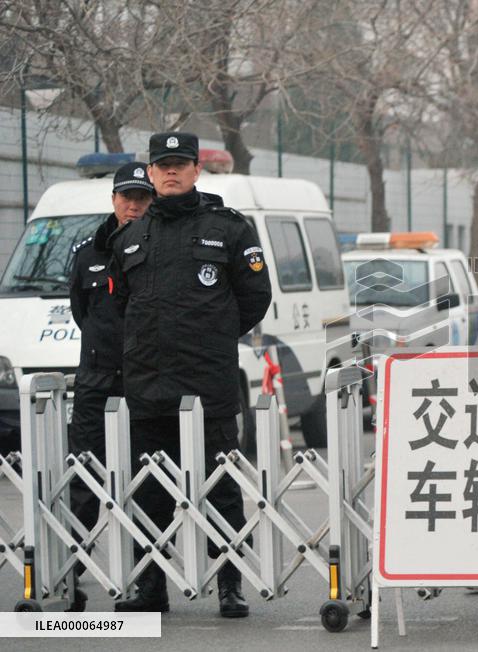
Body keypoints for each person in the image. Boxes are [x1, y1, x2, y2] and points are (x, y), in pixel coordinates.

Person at [110, 132, 271, 616]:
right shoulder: (130, 237)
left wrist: (214, 335)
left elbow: (255, 297)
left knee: (220, 487)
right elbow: (120, 305)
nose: (171, 171)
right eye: (163, 165)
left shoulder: (228, 228)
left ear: (197, 170)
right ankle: (151, 587)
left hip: (208, 383)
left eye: (181, 163)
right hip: (149, 383)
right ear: (152, 173)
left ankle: (230, 586)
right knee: (150, 488)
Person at [68, 162, 154, 565]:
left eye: (141, 198)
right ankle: (75, 557)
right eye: (127, 197)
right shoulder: (88, 254)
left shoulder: (158, 249)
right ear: (114, 200)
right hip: (96, 379)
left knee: (145, 473)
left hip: (142, 380)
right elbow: (81, 312)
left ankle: (146, 560)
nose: (133, 205)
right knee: (84, 473)